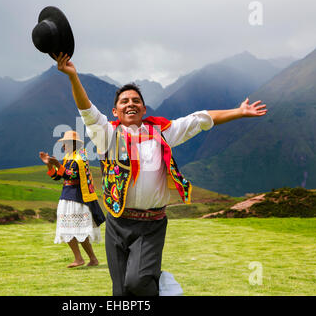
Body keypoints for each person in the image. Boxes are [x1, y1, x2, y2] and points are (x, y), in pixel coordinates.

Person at [53, 52, 267, 295]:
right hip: (117, 222)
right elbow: (87, 111)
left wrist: (239, 111)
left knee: (137, 281)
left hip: (151, 224)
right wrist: (73, 77)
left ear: (143, 108)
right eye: (124, 101)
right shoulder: (107, 136)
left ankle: (163, 286)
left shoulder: (162, 132)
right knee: (121, 292)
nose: (130, 104)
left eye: (135, 100)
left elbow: (201, 120)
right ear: (115, 111)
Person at [39, 130, 105, 268]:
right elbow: (57, 177)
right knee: (72, 229)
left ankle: (82, 259)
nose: (63, 146)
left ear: (74, 144)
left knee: (74, 229)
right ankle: (88, 258)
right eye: (63, 143)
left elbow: (71, 176)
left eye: (66, 143)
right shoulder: (69, 158)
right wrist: (48, 164)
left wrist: (57, 163)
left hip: (77, 198)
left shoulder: (80, 158)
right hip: (68, 196)